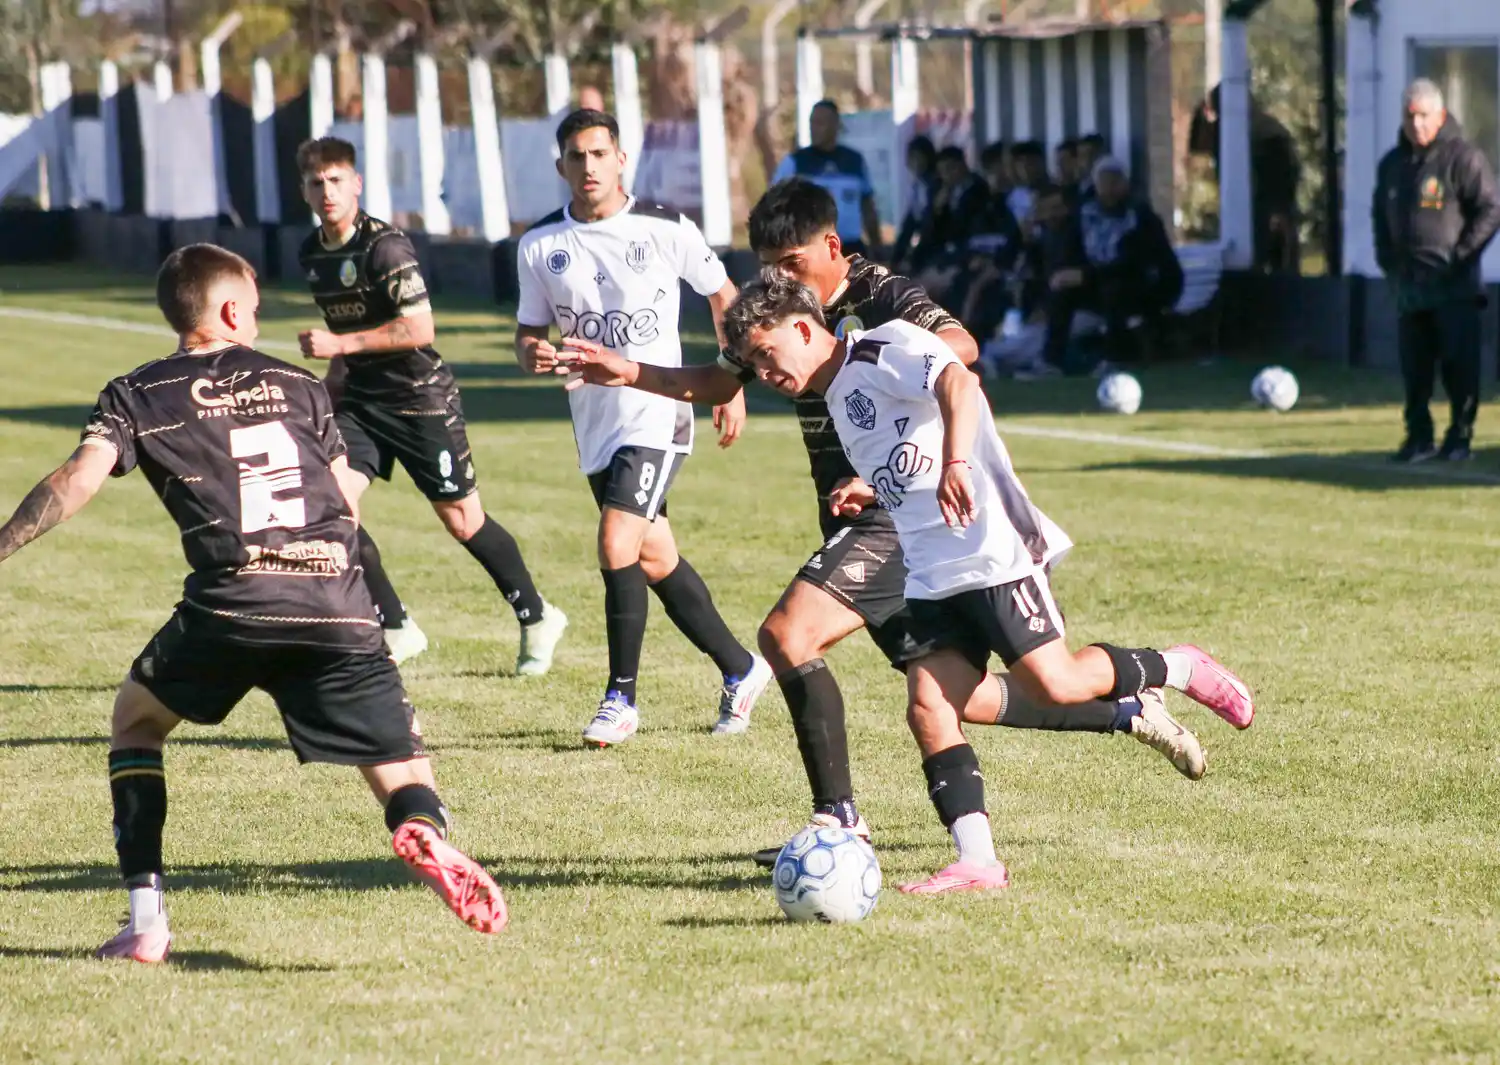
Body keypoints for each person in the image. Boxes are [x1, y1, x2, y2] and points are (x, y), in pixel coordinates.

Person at [553, 179, 1212, 866]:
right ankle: (1129, 707)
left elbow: (962, 348)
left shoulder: (877, 297)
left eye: (792, 261)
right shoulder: (775, 315)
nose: (779, 277)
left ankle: (837, 820)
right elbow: (720, 384)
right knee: (965, 698)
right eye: (768, 264)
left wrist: (893, 404)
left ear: (831, 246)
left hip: (897, 515)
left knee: (786, 634)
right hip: (859, 510)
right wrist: (625, 369)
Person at [0, 244, 507, 961]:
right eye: (258, 308)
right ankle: (421, 827)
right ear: (233, 310)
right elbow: (345, 507)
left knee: (136, 722)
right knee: (398, 761)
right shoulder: (301, 386)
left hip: (233, 604)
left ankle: (146, 922)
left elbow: (76, 481)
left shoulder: (137, 392)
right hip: (335, 597)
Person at [713, 273, 1254, 892]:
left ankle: (1175, 667)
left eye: (765, 352)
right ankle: (978, 860)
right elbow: (906, 444)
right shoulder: (837, 397)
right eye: (751, 363)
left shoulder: (880, 346)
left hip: (989, 551)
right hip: (929, 571)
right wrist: (874, 484)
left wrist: (956, 463)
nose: (761, 371)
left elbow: (958, 382)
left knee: (1058, 683)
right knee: (933, 707)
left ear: (803, 327)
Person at [514, 108, 771, 747]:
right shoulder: (540, 245)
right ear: (561, 167)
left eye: (600, 153)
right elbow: (527, 332)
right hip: (594, 420)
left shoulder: (662, 226)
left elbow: (724, 296)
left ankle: (620, 699)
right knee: (653, 555)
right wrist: (534, 354)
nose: (589, 166)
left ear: (621, 159)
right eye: (577, 156)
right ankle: (741, 669)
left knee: (614, 541)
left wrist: (731, 381)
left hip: (657, 408)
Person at [295, 137, 568, 673]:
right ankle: (395, 626)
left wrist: (341, 347)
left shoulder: (386, 248)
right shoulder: (312, 253)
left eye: (336, 180)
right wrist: (329, 392)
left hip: (419, 400)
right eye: (315, 182)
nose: (327, 192)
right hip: (360, 402)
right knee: (333, 505)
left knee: (463, 520)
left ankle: (537, 615)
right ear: (303, 190)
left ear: (357, 184)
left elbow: (420, 328)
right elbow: (343, 331)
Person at [1373, 78, 1500, 463]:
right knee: (1415, 369)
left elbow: (1490, 209)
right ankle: (1418, 436)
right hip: (1410, 287)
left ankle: (1460, 436)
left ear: (1440, 115)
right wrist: (1387, 258)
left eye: (1423, 116)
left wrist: (1462, 254)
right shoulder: (1393, 164)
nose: (1416, 125)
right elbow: (1380, 214)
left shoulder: (1462, 158)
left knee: (1458, 366)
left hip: (1452, 286)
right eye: (1410, 117)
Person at [1043, 158, 1183, 371]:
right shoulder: (1085, 214)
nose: (1108, 190)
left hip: (1146, 286)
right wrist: (1062, 274)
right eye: (1103, 183)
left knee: (1115, 291)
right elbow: (1070, 252)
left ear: (1124, 184)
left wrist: (1084, 276)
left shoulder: (1140, 217)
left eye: (1113, 183)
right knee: (1063, 294)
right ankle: (1051, 361)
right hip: (1098, 282)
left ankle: (1115, 359)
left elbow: (1135, 264)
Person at [771, 99, 882, 256]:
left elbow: (868, 206)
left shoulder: (854, 161)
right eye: (812, 122)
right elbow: (775, 206)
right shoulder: (795, 162)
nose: (813, 128)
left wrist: (877, 247)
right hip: (812, 250)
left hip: (850, 249)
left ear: (835, 125)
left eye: (820, 123)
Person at [892, 135, 939, 272]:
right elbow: (910, 223)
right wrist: (897, 256)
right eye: (912, 158)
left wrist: (913, 257)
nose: (916, 163)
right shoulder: (918, 186)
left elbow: (929, 224)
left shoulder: (934, 184)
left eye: (919, 157)